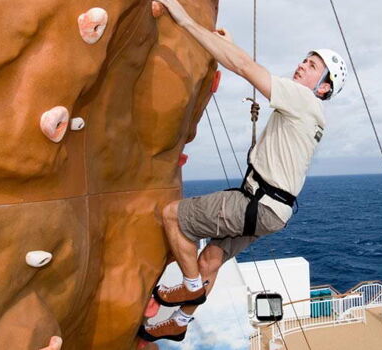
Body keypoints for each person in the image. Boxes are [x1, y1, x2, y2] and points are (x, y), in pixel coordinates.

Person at [138, 0, 348, 342]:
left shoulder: (302, 99)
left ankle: (191, 288)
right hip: (272, 210)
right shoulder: (309, 114)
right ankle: (179, 321)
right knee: (212, 256)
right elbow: (243, 61)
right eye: (305, 60)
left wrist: (187, 21)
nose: (301, 66)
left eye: (312, 67)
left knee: (172, 216)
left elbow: (244, 67)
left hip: (257, 204)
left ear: (323, 88)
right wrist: (230, 44)